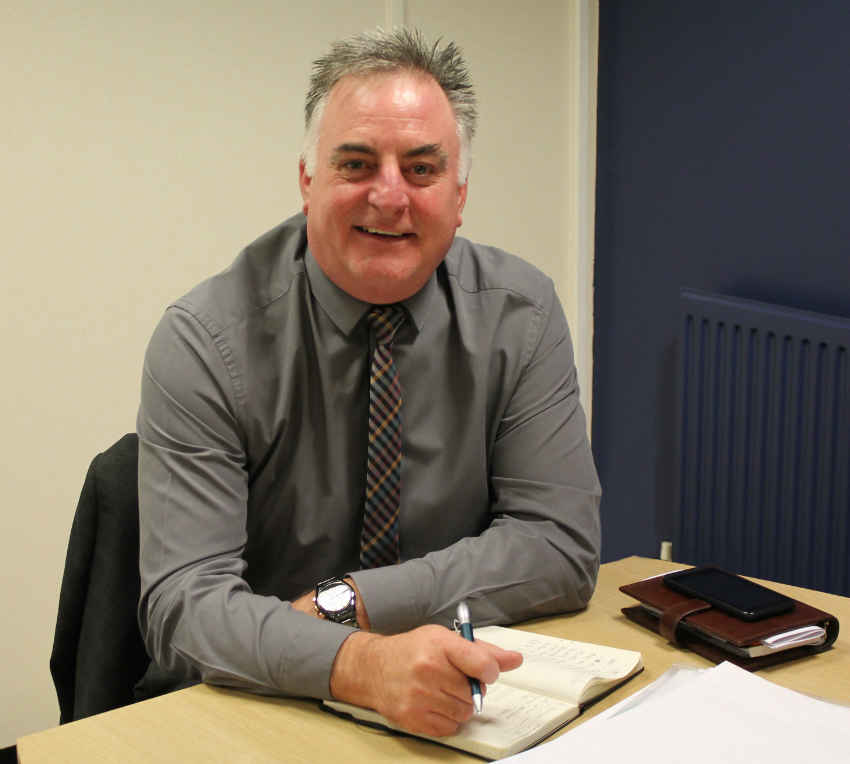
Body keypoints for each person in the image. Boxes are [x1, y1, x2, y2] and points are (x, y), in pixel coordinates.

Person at [137, 28, 601, 738]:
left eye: (421, 169)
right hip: (254, 706)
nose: (389, 196)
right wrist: (362, 665)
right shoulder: (206, 340)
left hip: (456, 702)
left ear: (460, 194)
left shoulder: (521, 316)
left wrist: (351, 601)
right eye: (356, 164)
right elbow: (185, 606)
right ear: (307, 181)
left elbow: (560, 545)